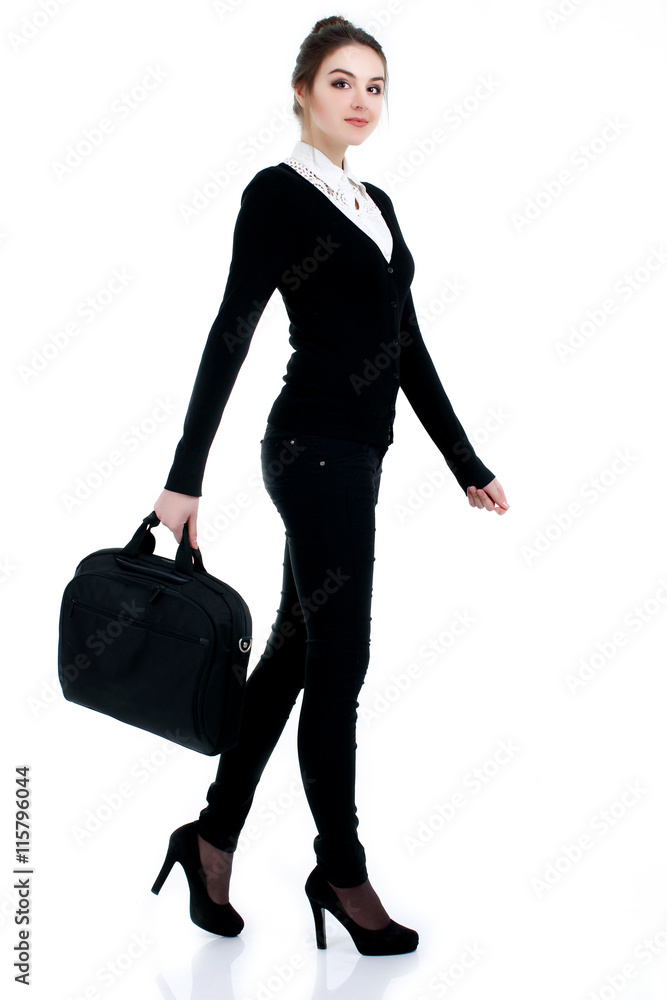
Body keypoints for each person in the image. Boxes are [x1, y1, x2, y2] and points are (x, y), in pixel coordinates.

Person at [150, 15, 509, 957]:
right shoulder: (277, 194)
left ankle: (210, 838)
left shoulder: (375, 204)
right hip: (311, 453)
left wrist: (463, 460)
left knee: (293, 657)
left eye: (375, 86)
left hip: (355, 456)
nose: (360, 100)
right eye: (341, 81)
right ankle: (341, 873)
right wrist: (184, 476)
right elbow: (231, 329)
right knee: (339, 668)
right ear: (302, 91)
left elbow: (405, 343)